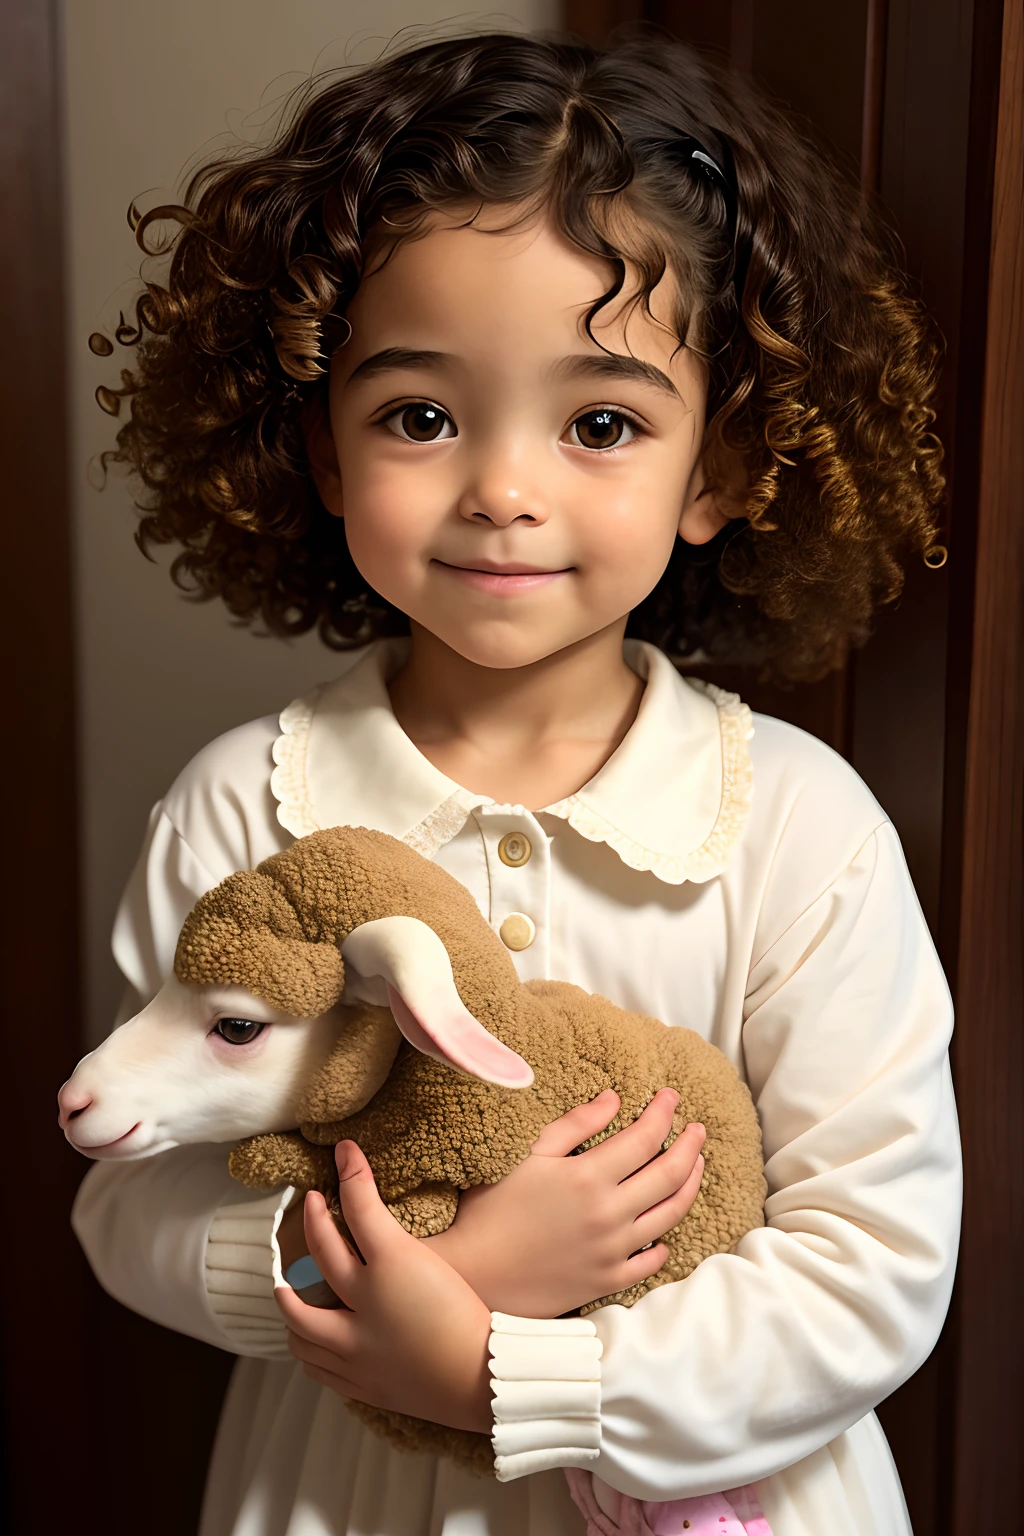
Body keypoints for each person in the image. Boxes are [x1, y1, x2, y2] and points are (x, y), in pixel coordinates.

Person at [71, 30, 960, 1536]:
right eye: (421, 415)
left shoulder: (801, 831)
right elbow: (134, 1205)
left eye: (600, 423)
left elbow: (874, 1263)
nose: (503, 486)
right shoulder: (245, 810)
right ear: (324, 447)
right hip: (348, 1493)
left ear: (723, 468)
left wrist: (502, 1362)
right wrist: (418, 1269)